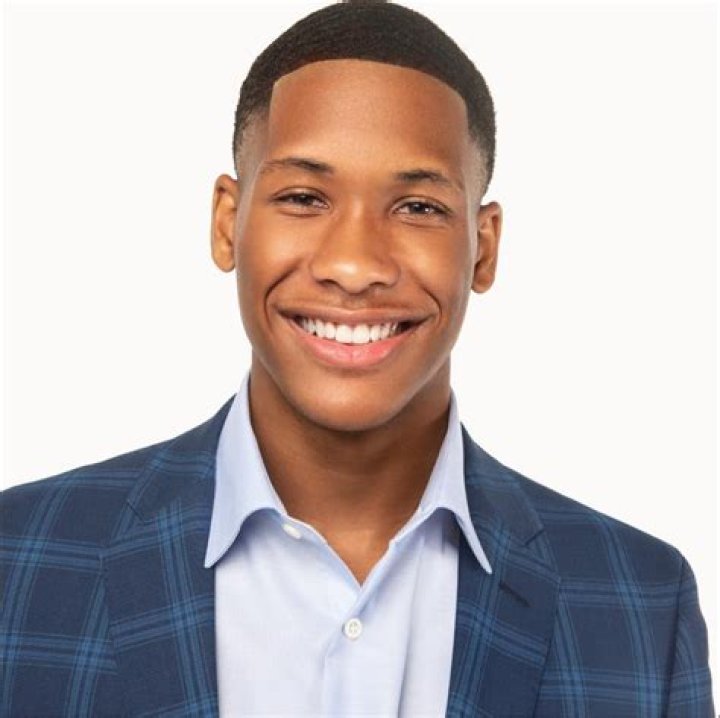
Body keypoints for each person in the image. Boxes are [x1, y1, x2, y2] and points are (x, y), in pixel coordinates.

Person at [1, 1, 713, 716]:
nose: (353, 265)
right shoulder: (17, 559)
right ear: (227, 223)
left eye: (418, 208)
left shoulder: (642, 605)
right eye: (304, 197)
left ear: (483, 248)